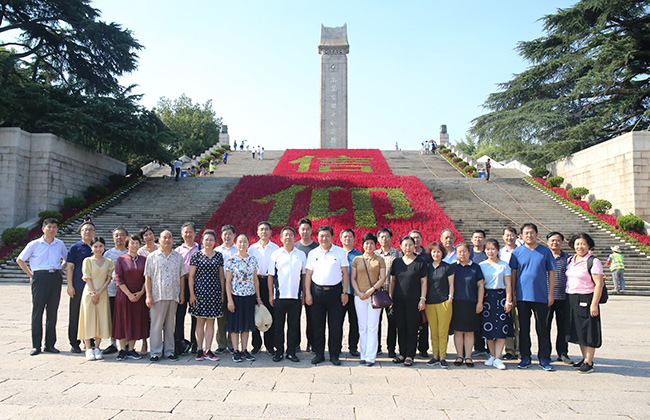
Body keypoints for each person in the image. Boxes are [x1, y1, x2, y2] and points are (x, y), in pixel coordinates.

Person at [16, 218, 68, 356]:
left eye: (54, 227)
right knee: (38, 311)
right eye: (49, 227)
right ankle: (36, 345)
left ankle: (50, 344)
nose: (52, 229)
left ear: (57, 229)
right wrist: (31, 275)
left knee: (52, 312)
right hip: (40, 277)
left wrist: (61, 269)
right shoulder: (34, 244)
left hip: (55, 277)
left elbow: (67, 259)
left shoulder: (59, 244)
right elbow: (20, 259)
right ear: (43, 229)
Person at [509, 223, 556, 371]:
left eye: (532, 233)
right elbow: (513, 274)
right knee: (524, 328)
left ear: (537, 234)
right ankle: (525, 357)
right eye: (526, 233)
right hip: (522, 296)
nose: (529, 235)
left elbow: (551, 273)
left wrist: (550, 294)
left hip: (541, 296)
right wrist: (513, 294)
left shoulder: (545, 251)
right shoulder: (517, 252)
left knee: (543, 328)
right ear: (521, 236)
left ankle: (544, 357)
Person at [304, 226, 349, 366]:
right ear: (317, 237)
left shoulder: (340, 252)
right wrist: (308, 294)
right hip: (317, 292)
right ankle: (319, 354)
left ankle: (334, 354)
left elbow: (345, 273)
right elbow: (308, 275)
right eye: (321, 236)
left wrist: (345, 292)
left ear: (332, 237)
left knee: (335, 325)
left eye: (327, 236)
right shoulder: (313, 253)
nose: (324, 238)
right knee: (318, 325)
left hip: (335, 292)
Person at [144, 230, 187, 362]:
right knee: (156, 325)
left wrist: (182, 294)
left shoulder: (177, 257)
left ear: (172, 240)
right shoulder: (152, 257)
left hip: (173, 295)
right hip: (158, 295)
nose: (167, 240)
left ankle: (169, 351)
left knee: (170, 326)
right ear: (159, 240)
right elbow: (148, 277)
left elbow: (182, 276)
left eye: (169, 237)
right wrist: (148, 295)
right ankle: (155, 352)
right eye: (164, 237)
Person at [565, 233, 604, 374]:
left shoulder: (593, 261)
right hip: (571, 298)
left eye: (583, 244)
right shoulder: (571, 260)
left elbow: (599, 284)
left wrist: (594, 304)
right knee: (579, 330)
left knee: (588, 330)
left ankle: (589, 362)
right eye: (577, 244)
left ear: (588, 246)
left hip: (586, 298)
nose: (580, 247)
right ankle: (584, 358)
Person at [268, 226, 306, 363]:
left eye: (291, 235)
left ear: (295, 238)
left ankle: (291, 352)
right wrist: (271, 295)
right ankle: (279, 351)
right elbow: (271, 275)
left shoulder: (301, 254)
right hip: (280, 296)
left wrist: (304, 294)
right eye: (286, 235)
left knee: (293, 326)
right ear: (281, 238)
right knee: (278, 326)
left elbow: (304, 275)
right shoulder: (276, 254)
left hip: (295, 297)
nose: (288, 237)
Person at [389, 236, 427, 366]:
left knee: (412, 327)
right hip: (398, 300)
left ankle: (410, 355)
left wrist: (422, 299)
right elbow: (393, 281)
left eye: (410, 245)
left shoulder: (420, 262)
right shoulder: (397, 262)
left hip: (414, 300)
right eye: (405, 245)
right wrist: (390, 297)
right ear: (401, 247)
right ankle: (402, 353)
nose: (408, 247)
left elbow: (424, 282)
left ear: (414, 246)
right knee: (401, 327)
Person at [188, 229, 225, 362]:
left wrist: (222, 293)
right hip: (200, 293)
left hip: (214, 293)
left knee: (211, 322)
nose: (208, 242)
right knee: (200, 322)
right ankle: (199, 349)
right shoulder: (196, 255)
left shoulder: (218, 256)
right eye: (206, 239)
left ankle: (208, 350)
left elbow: (221, 276)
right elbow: (191, 276)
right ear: (202, 241)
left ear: (215, 242)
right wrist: (192, 294)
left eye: (211, 240)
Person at [350, 233, 386, 366]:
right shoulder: (357, 259)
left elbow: (382, 278)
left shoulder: (380, 260)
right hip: (359, 296)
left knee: (373, 326)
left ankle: (371, 356)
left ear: (375, 245)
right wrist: (359, 292)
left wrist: (372, 290)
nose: (369, 245)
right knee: (362, 326)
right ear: (363, 245)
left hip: (374, 296)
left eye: (371, 243)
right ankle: (363, 354)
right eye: (366, 243)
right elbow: (353, 278)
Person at [225, 234, 262, 362]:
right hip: (236, 297)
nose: (242, 244)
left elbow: (255, 280)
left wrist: (258, 297)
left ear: (248, 244)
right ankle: (236, 351)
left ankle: (244, 350)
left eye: (245, 242)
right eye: (240, 242)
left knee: (246, 325)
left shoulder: (252, 260)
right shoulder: (231, 261)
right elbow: (228, 281)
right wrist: (229, 299)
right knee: (235, 326)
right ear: (236, 243)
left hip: (249, 297)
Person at [113, 235, 149, 361]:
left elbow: (147, 278)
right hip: (124, 296)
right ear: (127, 245)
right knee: (122, 322)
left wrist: (141, 293)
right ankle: (122, 349)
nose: (134, 245)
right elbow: (119, 279)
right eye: (132, 243)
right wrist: (129, 294)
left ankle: (132, 349)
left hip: (139, 296)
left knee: (135, 321)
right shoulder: (121, 260)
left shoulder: (144, 260)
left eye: (137, 243)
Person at [479, 239, 513, 370]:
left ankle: (498, 357)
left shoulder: (504, 265)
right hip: (487, 297)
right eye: (488, 249)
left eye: (493, 249)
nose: (490, 252)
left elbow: (508, 284)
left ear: (498, 250)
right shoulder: (481, 265)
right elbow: (480, 285)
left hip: (500, 297)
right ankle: (492, 356)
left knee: (501, 328)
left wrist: (508, 300)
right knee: (488, 328)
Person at [78, 237, 114, 361]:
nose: (98, 249)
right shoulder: (87, 261)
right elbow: (87, 277)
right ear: (91, 248)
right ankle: (88, 348)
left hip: (102, 294)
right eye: (96, 246)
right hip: (89, 293)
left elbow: (108, 279)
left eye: (100, 246)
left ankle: (98, 347)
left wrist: (99, 292)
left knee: (101, 319)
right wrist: (94, 293)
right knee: (88, 319)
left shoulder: (108, 261)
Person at [450, 242, 485, 367]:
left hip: (471, 303)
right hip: (456, 303)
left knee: (470, 331)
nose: (462, 254)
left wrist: (480, 302)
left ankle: (468, 357)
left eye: (464, 251)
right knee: (458, 331)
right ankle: (459, 355)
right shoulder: (453, 267)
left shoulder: (475, 267)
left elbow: (481, 285)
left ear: (469, 253)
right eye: (459, 252)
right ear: (456, 254)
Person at [249, 221, 280, 355]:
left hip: (269, 282)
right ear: (257, 232)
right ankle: (256, 344)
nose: (264, 232)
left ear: (270, 232)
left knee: (270, 313)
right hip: (254, 281)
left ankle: (269, 345)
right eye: (261, 229)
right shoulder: (252, 248)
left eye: (266, 229)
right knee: (255, 313)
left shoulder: (275, 248)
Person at [423, 242, 454, 368]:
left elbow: (451, 284)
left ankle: (443, 357)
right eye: (434, 251)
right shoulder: (427, 267)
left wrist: (450, 297)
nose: (436, 254)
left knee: (443, 331)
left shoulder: (447, 267)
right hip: (430, 302)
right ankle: (435, 355)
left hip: (444, 302)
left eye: (438, 252)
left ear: (442, 253)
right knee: (433, 331)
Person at [66, 221, 95, 353]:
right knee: (75, 315)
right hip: (78, 286)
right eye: (85, 230)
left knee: (92, 315)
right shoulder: (75, 248)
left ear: (94, 233)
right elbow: (69, 267)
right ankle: (74, 342)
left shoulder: (97, 247)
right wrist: (70, 285)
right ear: (80, 232)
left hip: (94, 288)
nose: (87, 232)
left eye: (90, 230)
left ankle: (90, 342)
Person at [375, 227, 401, 358]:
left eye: (386, 236)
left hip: (392, 292)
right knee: (376, 321)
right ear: (378, 239)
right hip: (377, 292)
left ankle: (391, 348)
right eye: (381, 237)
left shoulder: (397, 254)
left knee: (392, 322)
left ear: (391, 238)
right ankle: (377, 347)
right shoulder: (374, 254)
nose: (384, 239)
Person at [546, 231, 572, 364]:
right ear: (547, 242)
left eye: (558, 240)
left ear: (562, 243)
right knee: (545, 327)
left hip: (563, 297)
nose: (555, 243)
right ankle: (545, 353)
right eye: (552, 240)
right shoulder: (543, 256)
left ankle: (563, 353)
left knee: (563, 327)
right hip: (545, 298)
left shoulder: (568, 259)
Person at [294, 218, 319, 353]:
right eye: (302, 229)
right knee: (295, 317)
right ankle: (295, 343)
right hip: (295, 288)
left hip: (313, 288)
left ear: (311, 230)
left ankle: (312, 343)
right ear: (299, 230)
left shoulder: (317, 248)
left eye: (307, 229)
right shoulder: (294, 247)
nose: (305, 231)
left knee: (312, 317)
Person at [102, 227, 129, 355]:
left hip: (127, 292)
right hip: (111, 291)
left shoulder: (130, 252)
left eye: (122, 235)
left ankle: (127, 343)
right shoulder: (107, 254)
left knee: (126, 318)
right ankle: (113, 343)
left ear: (126, 237)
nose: (119, 238)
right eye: (116, 235)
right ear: (113, 238)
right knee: (113, 318)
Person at [175, 222, 200, 355]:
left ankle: (195, 343)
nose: (188, 234)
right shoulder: (177, 251)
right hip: (181, 284)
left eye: (190, 232)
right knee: (179, 314)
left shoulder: (200, 248)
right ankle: (180, 343)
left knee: (196, 314)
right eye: (186, 232)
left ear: (195, 234)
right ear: (182, 234)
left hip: (197, 285)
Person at [215, 224, 237, 353]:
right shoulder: (217, 250)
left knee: (233, 315)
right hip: (220, 285)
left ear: (234, 235)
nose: (227, 236)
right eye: (225, 234)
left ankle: (232, 343)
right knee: (221, 316)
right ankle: (221, 343)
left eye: (230, 233)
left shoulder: (238, 249)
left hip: (236, 285)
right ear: (221, 235)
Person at [340, 228, 361, 357]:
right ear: (341, 239)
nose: (347, 239)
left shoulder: (359, 255)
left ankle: (353, 347)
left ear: (354, 239)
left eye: (350, 237)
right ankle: (337, 347)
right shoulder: (337, 253)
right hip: (339, 294)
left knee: (354, 322)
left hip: (354, 293)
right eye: (345, 237)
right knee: (338, 322)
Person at [500, 227, 521, 360]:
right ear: (503, 237)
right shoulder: (500, 252)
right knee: (507, 322)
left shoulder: (522, 251)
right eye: (507, 235)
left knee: (519, 323)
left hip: (520, 290)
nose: (509, 238)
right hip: (504, 291)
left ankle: (519, 349)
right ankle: (509, 350)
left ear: (517, 236)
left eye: (512, 235)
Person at [408, 230, 430, 357]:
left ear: (421, 239)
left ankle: (423, 348)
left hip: (424, 292)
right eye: (413, 238)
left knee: (423, 322)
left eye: (417, 238)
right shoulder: (404, 255)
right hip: (409, 293)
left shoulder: (427, 255)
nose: (415, 240)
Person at [469, 229, 488, 356]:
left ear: (484, 239)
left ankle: (488, 347)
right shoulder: (469, 253)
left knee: (486, 319)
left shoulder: (488, 252)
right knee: (474, 319)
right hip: (471, 290)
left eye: (480, 237)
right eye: (475, 237)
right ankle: (479, 346)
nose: (478, 240)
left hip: (487, 290)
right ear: (471, 240)